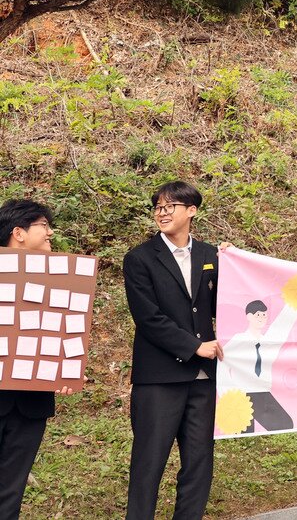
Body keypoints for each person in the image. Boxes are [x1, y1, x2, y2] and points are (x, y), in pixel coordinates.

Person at [123, 181, 221, 520]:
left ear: (191, 211)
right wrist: (195, 347)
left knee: (199, 463)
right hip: (159, 379)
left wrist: (236, 263)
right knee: (148, 463)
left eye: (170, 207)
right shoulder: (139, 259)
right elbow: (148, 318)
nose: (162, 213)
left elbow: (231, 302)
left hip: (203, 379)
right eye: (158, 208)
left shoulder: (211, 255)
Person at [0, 198, 77, 520]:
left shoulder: (60, 280)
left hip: (31, 402)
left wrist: (65, 372)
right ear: (18, 232)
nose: (50, 233)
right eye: (43, 226)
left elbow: (65, 333)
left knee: (11, 489)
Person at [215, 297, 297, 433]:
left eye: (264, 315)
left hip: (262, 391)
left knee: (285, 424)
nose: (262, 318)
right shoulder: (239, 339)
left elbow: (283, 324)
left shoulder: (268, 341)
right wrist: (227, 394)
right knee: (243, 431)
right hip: (241, 393)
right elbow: (223, 361)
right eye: (258, 315)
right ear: (249, 316)